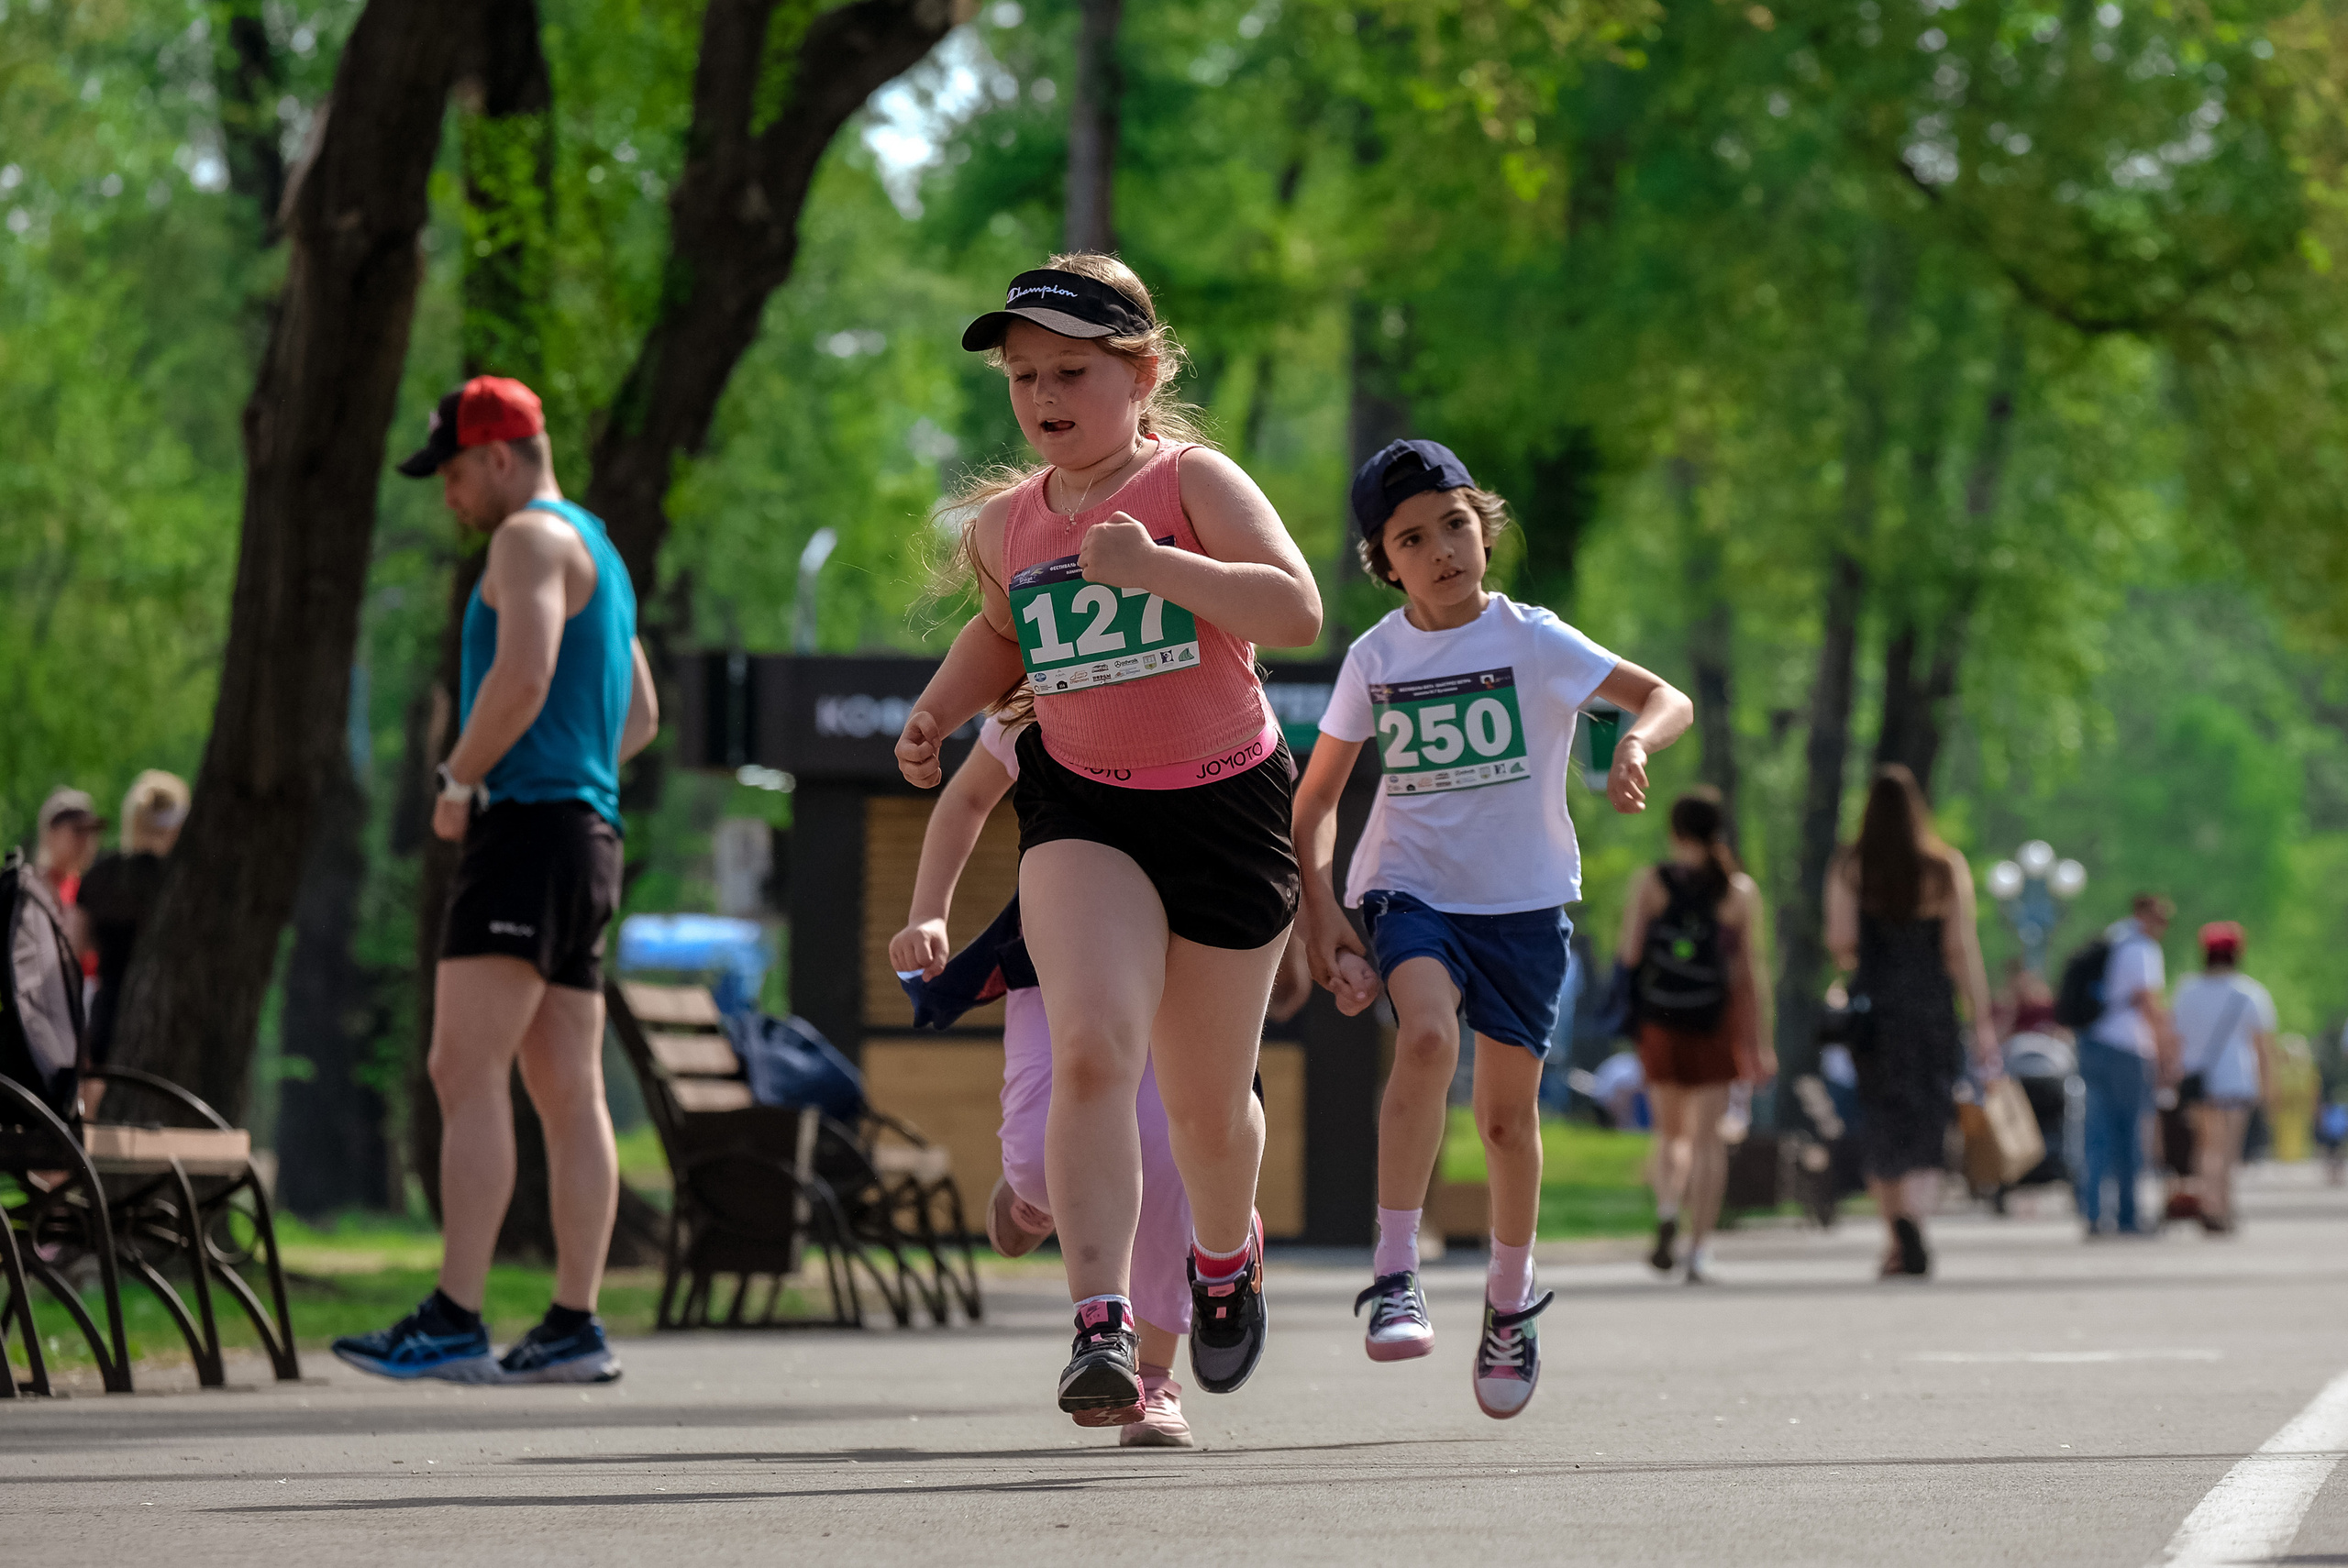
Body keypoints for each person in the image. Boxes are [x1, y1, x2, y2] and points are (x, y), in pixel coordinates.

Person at [894, 257, 1322, 1424]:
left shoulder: (1193, 480)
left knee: (1204, 1106)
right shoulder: (1005, 525)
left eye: (1071, 371)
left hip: (1225, 807)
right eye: (1022, 377)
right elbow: (999, 638)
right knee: (1089, 1048)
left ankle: (1225, 1261)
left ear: (1143, 372)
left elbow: (1296, 609)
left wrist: (1158, 567)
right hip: (1084, 805)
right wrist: (938, 709)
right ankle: (1100, 1325)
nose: (1042, 396)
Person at [1292, 437, 1691, 1419]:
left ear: (1484, 528)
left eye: (1456, 525)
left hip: (1521, 902)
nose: (1442, 550)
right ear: (1385, 563)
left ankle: (1508, 1305)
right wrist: (1322, 913)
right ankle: (1394, 1272)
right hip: (1410, 890)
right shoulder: (1374, 658)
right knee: (1425, 1038)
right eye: (1413, 538)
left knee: (1509, 1122)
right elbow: (1315, 804)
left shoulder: (1534, 640)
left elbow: (1662, 696)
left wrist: (1634, 741)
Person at [335, 376, 658, 1386]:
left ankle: (457, 1318)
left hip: (525, 830)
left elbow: (521, 675)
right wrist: (577, 770)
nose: (450, 497)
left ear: (503, 457)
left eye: (457, 473)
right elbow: (638, 712)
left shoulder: (524, 541)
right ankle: (573, 1323)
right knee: (565, 1088)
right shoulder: (596, 544)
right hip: (589, 835)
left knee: (458, 1069)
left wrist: (460, 776)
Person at [889, 695, 1196, 1446]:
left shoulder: (1206, 685)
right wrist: (929, 910)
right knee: (1037, 1158)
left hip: (1187, 940)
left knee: (1165, 1157)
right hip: (1056, 944)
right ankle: (1037, 1195)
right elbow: (964, 799)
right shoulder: (1037, 701)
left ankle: (1153, 1382)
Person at [1823, 765, 1999, 1278]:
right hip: (1931, 1008)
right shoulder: (1944, 868)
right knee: (1927, 1118)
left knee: (1882, 1117)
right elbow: (1960, 950)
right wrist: (1983, 1021)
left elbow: (1841, 941)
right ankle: (1914, 1221)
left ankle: (1894, 1233)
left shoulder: (1850, 867)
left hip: (1874, 1011)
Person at [1620, 789, 1775, 1285]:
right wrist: (1760, 1042)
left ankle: (1668, 1208)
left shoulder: (1651, 882)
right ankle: (1700, 1250)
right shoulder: (1739, 891)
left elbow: (1628, 954)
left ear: (1675, 832)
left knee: (1669, 1135)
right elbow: (1750, 974)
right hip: (1716, 1025)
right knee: (1708, 1142)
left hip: (1662, 1023)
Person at [75, 771, 188, 1076]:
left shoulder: (101, 875)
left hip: (108, 1012)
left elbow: (75, 947)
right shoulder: (180, 883)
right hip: (170, 1017)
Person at [2077, 893, 2177, 1238]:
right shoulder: (2142, 949)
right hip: (2127, 1048)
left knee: (2096, 1134)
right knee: (2131, 1134)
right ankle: (2128, 1214)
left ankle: (2092, 1212)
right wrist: (2166, 1051)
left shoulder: (2113, 937)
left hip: (2093, 1042)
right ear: (2144, 914)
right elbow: (2150, 1002)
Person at [2169, 922, 2276, 1234]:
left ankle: (2207, 1201)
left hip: (2196, 1081)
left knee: (2205, 1147)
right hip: (2234, 1080)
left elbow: (2175, 1038)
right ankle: (2222, 1206)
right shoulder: (2249, 993)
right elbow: (2262, 1047)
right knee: (2227, 1150)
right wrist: (2268, 1087)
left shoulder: (2186, 990)